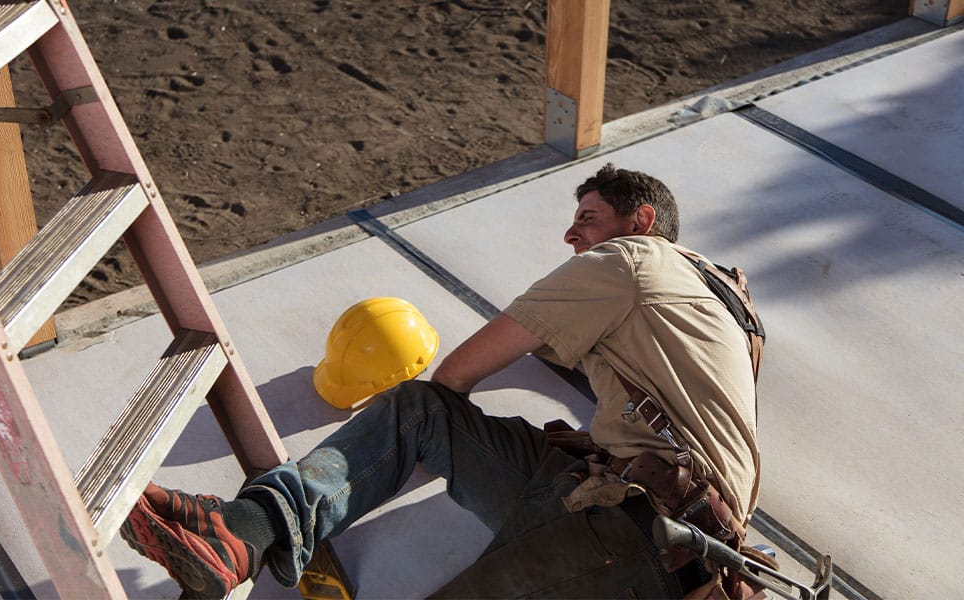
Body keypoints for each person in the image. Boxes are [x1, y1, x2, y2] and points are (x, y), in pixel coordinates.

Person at [120, 163, 761, 599]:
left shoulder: (628, 260)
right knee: (426, 413)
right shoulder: (726, 306)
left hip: (643, 536)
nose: (572, 234)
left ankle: (246, 532)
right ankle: (244, 533)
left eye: (588, 219)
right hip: (636, 512)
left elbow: (459, 371)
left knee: (426, 405)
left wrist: (392, 443)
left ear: (642, 221)